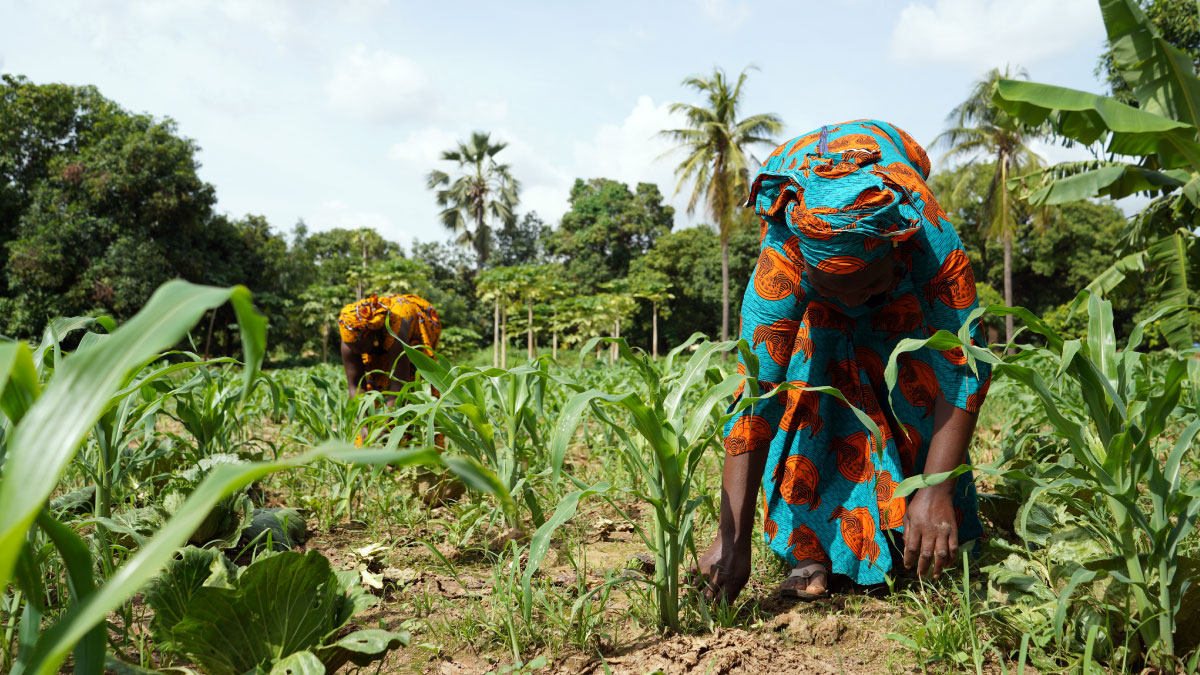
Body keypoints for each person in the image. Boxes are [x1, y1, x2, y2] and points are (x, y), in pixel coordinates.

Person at [700, 120, 991, 602]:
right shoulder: (783, 263)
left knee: (915, 377)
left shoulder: (925, 236)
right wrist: (731, 540)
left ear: (894, 254)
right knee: (810, 383)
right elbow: (755, 402)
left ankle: (919, 520)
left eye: (868, 288)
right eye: (839, 292)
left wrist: (937, 488)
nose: (856, 304)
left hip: (903, 299)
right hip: (819, 301)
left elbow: (966, 365)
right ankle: (811, 547)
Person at [337, 293, 442, 401]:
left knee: (413, 385)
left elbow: (399, 386)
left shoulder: (395, 333)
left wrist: (387, 417)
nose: (355, 351)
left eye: (358, 346)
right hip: (379, 340)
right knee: (377, 388)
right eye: (350, 346)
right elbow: (355, 386)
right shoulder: (350, 336)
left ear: (372, 335)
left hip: (417, 322)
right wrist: (362, 417)